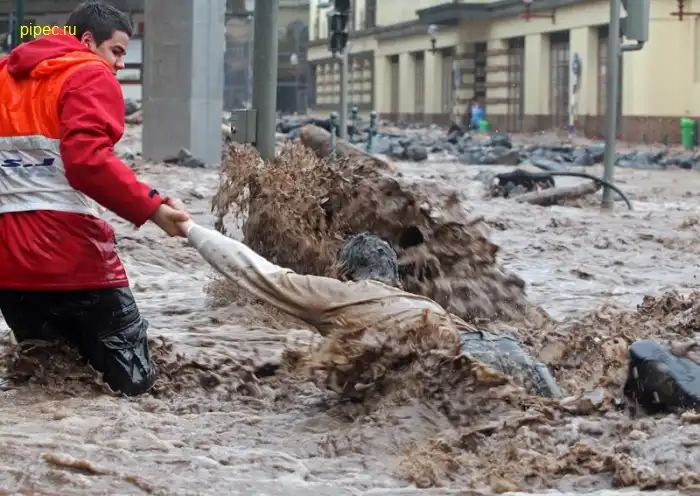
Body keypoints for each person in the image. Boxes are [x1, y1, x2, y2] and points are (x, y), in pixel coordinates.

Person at [0, 1, 190, 395]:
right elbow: (87, 162)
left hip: (9, 267)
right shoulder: (89, 73)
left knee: (42, 383)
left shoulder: (4, 76)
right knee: (135, 389)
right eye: (116, 51)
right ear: (87, 41)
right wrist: (153, 208)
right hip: (72, 257)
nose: (119, 64)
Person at [174, 211, 562, 398]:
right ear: (393, 276)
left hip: (448, 368)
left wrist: (189, 229)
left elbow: (256, 272)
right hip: (499, 350)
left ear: (345, 272)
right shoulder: (417, 301)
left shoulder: (340, 295)